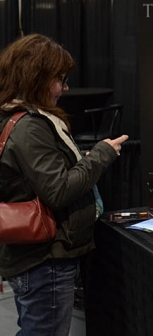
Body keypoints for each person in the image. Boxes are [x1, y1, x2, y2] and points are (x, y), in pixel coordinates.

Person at [0, 34, 128, 335]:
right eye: (60, 79)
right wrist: (101, 155)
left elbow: (43, 178)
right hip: (45, 260)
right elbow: (58, 191)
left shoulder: (21, 120)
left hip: (38, 258)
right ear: (37, 78)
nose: (65, 88)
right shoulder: (31, 127)